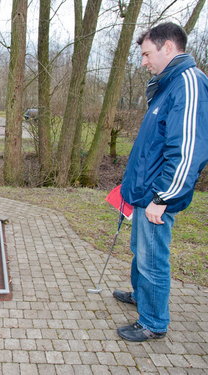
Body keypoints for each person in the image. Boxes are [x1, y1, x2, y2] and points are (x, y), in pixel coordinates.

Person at [116, 22, 208, 342]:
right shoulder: (166, 87)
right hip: (143, 193)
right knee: (139, 250)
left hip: (157, 197)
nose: (143, 61)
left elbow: (188, 151)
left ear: (168, 47)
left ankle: (153, 322)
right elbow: (150, 147)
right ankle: (142, 298)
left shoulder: (189, 83)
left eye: (146, 54)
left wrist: (163, 197)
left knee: (153, 259)